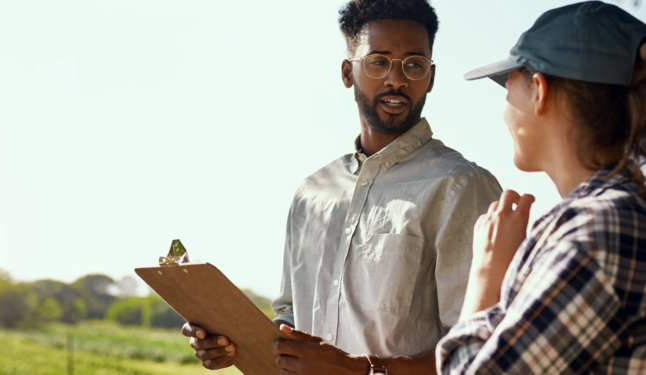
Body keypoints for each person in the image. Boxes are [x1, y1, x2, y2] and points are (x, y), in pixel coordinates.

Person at [183, 0, 502, 373]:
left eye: (413, 65)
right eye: (378, 61)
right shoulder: (312, 193)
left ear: (430, 77)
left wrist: (362, 369)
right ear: (348, 71)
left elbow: (482, 349)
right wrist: (233, 341)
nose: (396, 79)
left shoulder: (462, 187)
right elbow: (290, 318)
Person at [437, 2, 646, 374]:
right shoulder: (614, 217)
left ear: (539, 89)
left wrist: (487, 275)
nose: (503, 102)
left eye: (507, 82)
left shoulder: (597, 232)